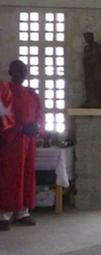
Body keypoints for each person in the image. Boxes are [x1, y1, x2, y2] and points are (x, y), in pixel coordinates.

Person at [0, 60, 43, 231]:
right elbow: (2, 115)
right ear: (11, 72)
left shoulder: (31, 93)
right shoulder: (3, 90)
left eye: (25, 70)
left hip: (28, 141)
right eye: (18, 70)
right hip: (9, 142)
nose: (22, 73)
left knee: (26, 175)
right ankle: (4, 214)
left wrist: (36, 127)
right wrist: (19, 127)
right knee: (9, 176)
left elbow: (39, 114)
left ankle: (22, 212)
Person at [82, 32, 101, 108]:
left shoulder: (98, 47)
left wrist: (94, 62)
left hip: (97, 69)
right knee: (89, 84)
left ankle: (99, 99)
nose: (87, 39)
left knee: (98, 83)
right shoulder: (86, 48)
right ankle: (90, 99)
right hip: (89, 70)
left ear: (92, 37)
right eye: (85, 38)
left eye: (88, 37)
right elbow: (84, 58)